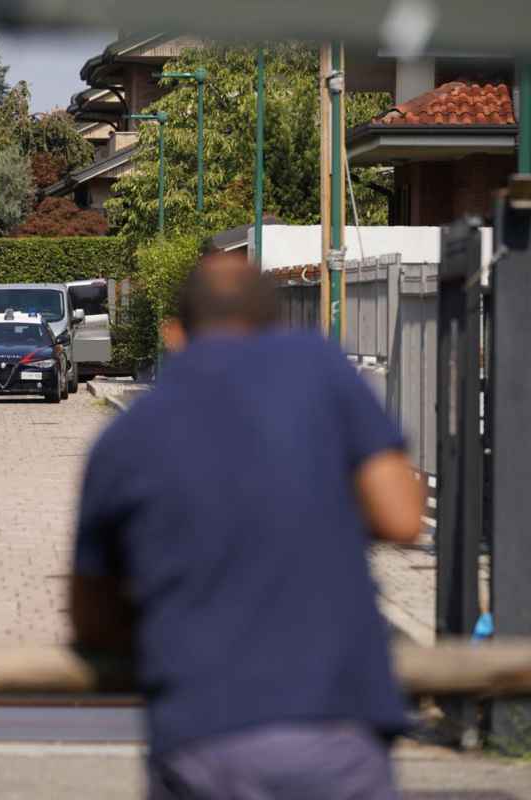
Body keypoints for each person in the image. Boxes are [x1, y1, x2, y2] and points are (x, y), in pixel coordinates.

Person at [71, 252, 425, 800]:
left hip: (201, 735)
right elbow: (401, 515)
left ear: (175, 335)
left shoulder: (124, 439)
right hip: (335, 723)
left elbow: (91, 619)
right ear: (278, 322)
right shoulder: (319, 367)